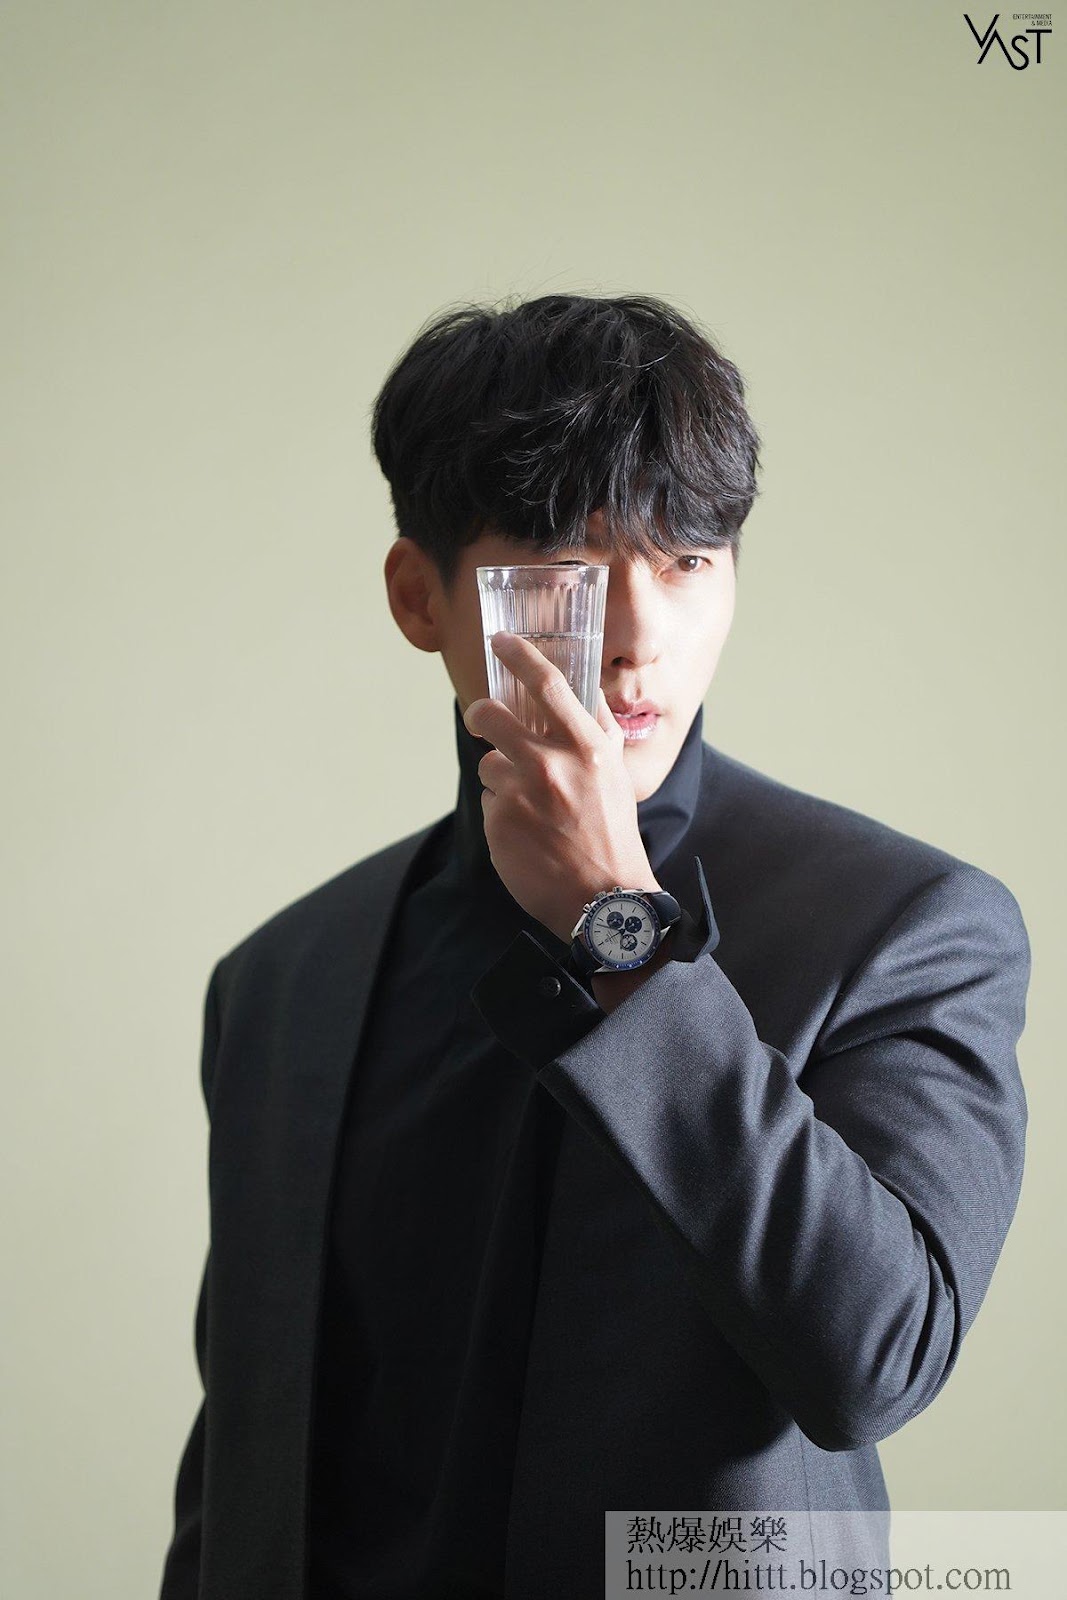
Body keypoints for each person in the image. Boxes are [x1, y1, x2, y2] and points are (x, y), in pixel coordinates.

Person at [158, 294, 1029, 1600]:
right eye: (565, 561)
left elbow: (874, 1360)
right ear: (419, 596)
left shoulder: (900, 926)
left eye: (688, 558)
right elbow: (243, 1468)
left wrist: (619, 922)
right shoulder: (285, 982)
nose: (637, 639)